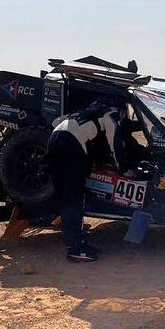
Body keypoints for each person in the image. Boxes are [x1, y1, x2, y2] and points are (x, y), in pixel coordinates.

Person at [46, 100, 132, 262]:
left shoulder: (87, 110)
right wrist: (123, 168)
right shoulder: (111, 114)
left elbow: (56, 122)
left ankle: (76, 242)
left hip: (54, 140)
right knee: (74, 198)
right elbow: (115, 143)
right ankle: (76, 249)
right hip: (72, 147)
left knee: (64, 197)